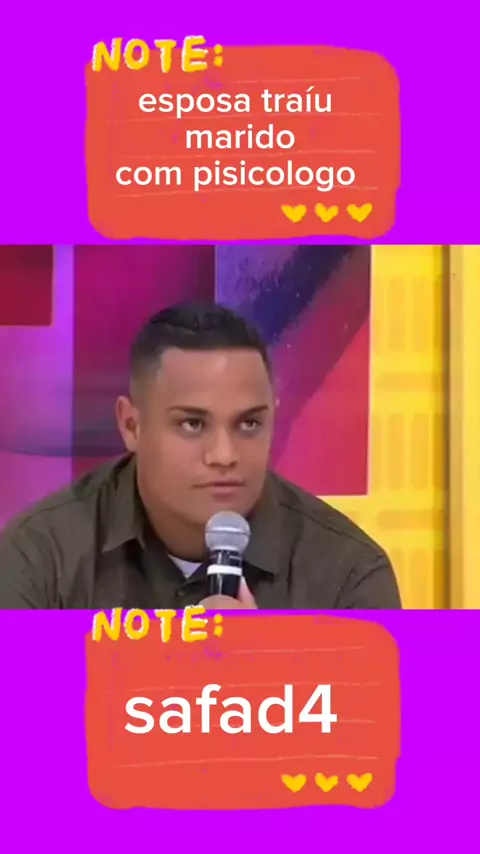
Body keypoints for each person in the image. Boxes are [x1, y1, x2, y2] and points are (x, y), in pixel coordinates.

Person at [0, 302, 401, 610]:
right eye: (192, 424)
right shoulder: (39, 558)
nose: (224, 455)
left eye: (249, 423)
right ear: (132, 425)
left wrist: (264, 672)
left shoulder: (347, 575)